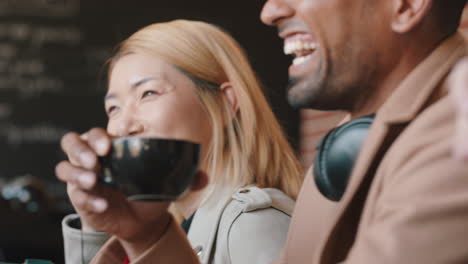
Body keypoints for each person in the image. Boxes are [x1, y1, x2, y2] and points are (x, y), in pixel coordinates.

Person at [58, 0, 468, 263]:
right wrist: (145, 234)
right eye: (113, 105)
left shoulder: (456, 140)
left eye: (148, 93)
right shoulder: (336, 158)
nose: (269, 10)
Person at [56, 20, 304, 263]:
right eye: (113, 108)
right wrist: (94, 224)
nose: (121, 127)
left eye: (148, 93)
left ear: (224, 105)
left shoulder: (253, 224)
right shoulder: (164, 228)